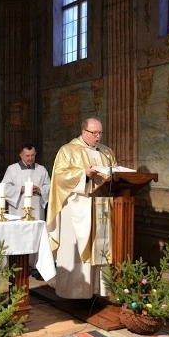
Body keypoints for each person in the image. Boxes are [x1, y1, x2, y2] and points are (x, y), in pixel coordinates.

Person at [46, 117, 117, 300]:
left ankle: (99, 290)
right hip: (77, 210)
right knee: (76, 251)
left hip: (102, 207)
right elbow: (60, 177)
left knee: (102, 246)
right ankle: (75, 293)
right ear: (84, 131)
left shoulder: (107, 152)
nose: (98, 137)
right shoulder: (68, 150)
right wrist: (83, 174)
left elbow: (115, 174)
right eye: (94, 133)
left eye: (100, 133)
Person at [1, 142, 51, 279]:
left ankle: (35, 266)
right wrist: (20, 189)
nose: (30, 158)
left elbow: (49, 186)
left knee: (36, 237)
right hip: (18, 210)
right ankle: (15, 264)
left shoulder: (41, 170)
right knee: (18, 236)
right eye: (27, 155)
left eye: (32, 155)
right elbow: (4, 188)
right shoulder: (12, 169)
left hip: (36, 209)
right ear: (21, 155)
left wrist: (40, 189)